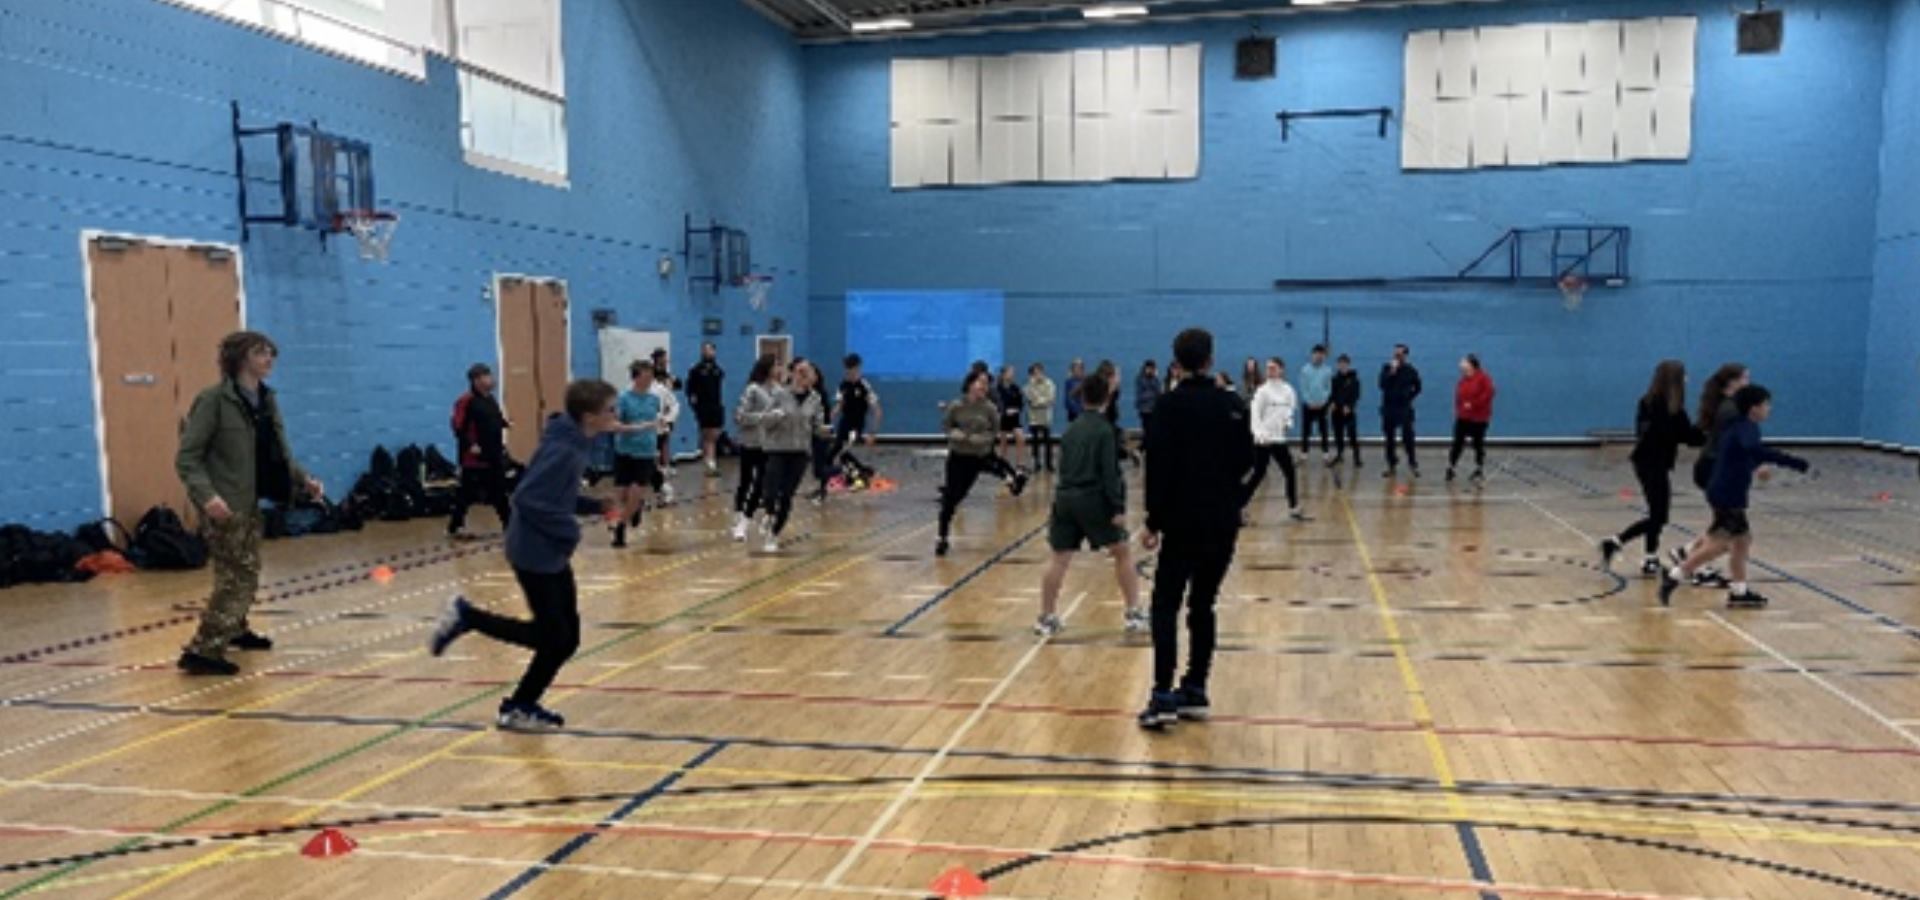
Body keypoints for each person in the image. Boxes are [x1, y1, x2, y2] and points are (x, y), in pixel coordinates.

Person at [430, 378, 618, 731]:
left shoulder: (573, 441)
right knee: (555, 638)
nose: (615, 415)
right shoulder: (565, 450)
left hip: (548, 551)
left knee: (565, 638)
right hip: (534, 552)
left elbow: (554, 496)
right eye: (610, 410)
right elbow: (528, 498)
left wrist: (595, 506)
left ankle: (521, 704)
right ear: (590, 416)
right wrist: (571, 531)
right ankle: (467, 618)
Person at [174, 331, 323, 676]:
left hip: (252, 498)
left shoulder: (266, 400)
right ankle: (203, 649)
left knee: (242, 568)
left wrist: (303, 480)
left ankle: (236, 628)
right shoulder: (213, 401)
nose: (269, 359)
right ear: (241, 359)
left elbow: (276, 452)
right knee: (239, 576)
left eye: (271, 353)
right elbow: (188, 459)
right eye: (261, 353)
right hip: (225, 503)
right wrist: (207, 496)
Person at [1138, 328, 1255, 730]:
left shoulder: (1167, 408)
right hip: (1221, 523)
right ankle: (1196, 685)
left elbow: (1158, 469)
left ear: (1177, 362)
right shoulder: (1232, 405)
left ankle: (1163, 693)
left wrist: (1153, 520)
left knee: (1165, 604)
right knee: (1203, 603)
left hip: (1182, 523)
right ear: (1209, 359)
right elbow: (1248, 460)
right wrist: (1231, 497)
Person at [1660, 385, 1809, 609]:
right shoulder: (1745, 428)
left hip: (1727, 491)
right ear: (1753, 408)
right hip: (1726, 493)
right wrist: (1792, 462)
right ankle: (1675, 575)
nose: (1769, 409)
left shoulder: (1739, 426)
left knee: (1742, 541)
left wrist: (1757, 465)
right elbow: (1755, 449)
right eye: (1766, 404)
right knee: (1721, 544)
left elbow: (1744, 453)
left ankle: (1739, 592)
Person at [1037, 372, 1144, 636]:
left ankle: (1046, 616)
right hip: (1092, 498)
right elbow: (1110, 473)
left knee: (1059, 558)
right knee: (1123, 552)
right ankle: (1133, 613)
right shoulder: (1104, 430)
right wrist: (1118, 507)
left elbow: (1062, 467)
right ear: (1107, 397)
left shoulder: (1071, 429)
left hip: (1064, 497)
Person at [1601, 360, 1704, 577]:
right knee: (1659, 516)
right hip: (1652, 463)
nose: (1687, 379)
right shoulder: (1669, 407)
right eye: (1684, 375)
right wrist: (1709, 431)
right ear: (1675, 379)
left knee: (1656, 512)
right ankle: (1616, 541)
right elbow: (1688, 437)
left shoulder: (1647, 401)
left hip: (1646, 461)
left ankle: (1650, 559)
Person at [1672, 363, 1752, 587]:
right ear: (1733, 382)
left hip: (1713, 471)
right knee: (1730, 536)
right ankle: (1680, 572)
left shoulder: (1727, 406)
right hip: (1716, 473)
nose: (1749, 383)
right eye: (1745, 379)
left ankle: (1686, 554)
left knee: (1731, 531)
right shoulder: (1730, 410)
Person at [937, 369, 1027, 557]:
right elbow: (947, 426)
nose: (983, 387)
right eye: (980, 383)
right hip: (958, 456)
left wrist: (979, 439)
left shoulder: (989, 408)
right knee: (951, 498)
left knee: (983, 473)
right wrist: (960, 436)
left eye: (986, 384)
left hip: (978, 456)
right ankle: (942, 537)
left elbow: (994, 431)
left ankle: (1011, 478)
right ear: (970, 384)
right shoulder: (956, 406)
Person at [755, 358, 826, 552]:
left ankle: (774, 534)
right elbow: (764, 421)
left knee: (786, 495)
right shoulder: (780, 395)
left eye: (807, 372)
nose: (803, 376)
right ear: (792, 373)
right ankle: (768, 513)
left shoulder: (815, 399)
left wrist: (826, 431)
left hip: (800, 452)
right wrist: (775, 416)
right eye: (800, 372)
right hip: (778, 449)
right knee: (770, 491)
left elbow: (818, 426)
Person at [447, 362, 511, 538]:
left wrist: (505, 424)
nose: (491, 379)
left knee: (500, 491)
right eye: (486, 376)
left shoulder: (490, 399)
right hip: (474, 458)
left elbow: (494, 420)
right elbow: (458, 426)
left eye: (489, 375)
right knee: (466, 495)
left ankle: (510, 524)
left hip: (493, 454)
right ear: (476, 380)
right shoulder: (466, 401)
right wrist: (470, 445)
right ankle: (455, 527)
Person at [609, 360, 664, 549]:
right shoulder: (624, 398)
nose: (650, 379)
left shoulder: (654, 399)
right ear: (637, 376)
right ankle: (633, 509)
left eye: (651, 375)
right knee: (621, 494)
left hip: (645, 452)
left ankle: (620, 527)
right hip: (625, 451)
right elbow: (615, 425)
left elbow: (658, 421)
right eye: (646, 375)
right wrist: (638, 427)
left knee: (636, 491)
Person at [1247, 357, 1306, 521]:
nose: (1270, 371)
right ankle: (1239, 505)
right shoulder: (1262, 391)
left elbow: (1289, 411)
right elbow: (1255, 416)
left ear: (1281, 370)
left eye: (1273, 368)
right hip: (1263, 440)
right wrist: (1258, 435)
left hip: (1278, 440)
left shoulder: (1288, 390)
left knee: (1290, 472)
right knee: (1258, 474)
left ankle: (1294, 507)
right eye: (1268, 368)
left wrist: (1288, 423)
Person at [730, 355, 778, 541]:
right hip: (751, 442)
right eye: (776, 365)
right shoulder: (753, 390)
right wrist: (763, 417)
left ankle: (749, 518)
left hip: (769, 445)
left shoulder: (779, 391)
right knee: (746, 480)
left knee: (762, 483)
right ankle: (738, 514)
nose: (779, 369)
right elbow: (740, 416)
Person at [832, 353, 881, 488]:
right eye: (847, 369)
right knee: (835, 452)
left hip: (856, 425)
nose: (850, 373)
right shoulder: (843, 385)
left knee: (844, 451)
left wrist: (872, 432)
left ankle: (863, 474)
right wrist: (831, 417)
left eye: (853, 369)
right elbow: (839, 405)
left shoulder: (864, 386)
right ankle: (860, 472)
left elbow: (876, 409)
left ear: (858, 368)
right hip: (844, 423)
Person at [1446, 354, 1495, 483]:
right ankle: (1451, 467)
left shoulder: (1483, 378)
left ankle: (1479, 469)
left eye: (1463, 361)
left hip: (1479, 418)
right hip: (1463, 417)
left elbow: (1488, 394)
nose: (1461, 364)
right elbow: (1459, 397)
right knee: (1457, 443)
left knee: (1477, 444)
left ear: (1471, 364)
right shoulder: (1463, 380)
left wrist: (1474, 404)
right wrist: (1459, 410)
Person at [1379, 343, 1423, 479]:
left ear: (1405, 355)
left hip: (1404, 408)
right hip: (1389, 408)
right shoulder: (1386, 368)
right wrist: (1391, 372)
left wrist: (1409, 397)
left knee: (1408, 436)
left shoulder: (1411, 370)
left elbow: (1418, 387)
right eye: (1395, 353)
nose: (1397, 356)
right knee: (1389, 438)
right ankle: (1391, 465)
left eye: (1400, 353)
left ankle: (1412, 463)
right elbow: (1381, 385)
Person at [686, 342, 726, 478]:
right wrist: (696, 407)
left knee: (715, 434)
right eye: (706, 350)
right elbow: (690, 391)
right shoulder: (696, 370)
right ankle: (709, 463)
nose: (708, 352)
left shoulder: (718, 370)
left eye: (711, 350)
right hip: (704, 407)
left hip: (717, 406)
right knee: (707, 435)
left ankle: (711, 460)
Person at [649, 348, 681, 502]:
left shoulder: (661, 387)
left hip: (659, 427)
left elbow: (675, 403)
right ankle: (659, 485)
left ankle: (663, 486)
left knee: (659, 452)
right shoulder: (631, 393)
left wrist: (668, 419)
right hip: (641, 431)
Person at [1298, 345, 1334, 463]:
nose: (1318, 356)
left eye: (1321, 354)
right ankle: (1304, 453)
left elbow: (1328, 388)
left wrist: (1323, 402)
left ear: (1324, 356)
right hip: (1308, 406)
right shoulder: (1305, 370)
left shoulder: (1328, 370)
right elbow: (1303, 388)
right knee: (1306, 430)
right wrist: (1309, 402)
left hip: (1322, 406)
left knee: (1323, 430)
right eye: (1316, 353)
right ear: (1312, 355)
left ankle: (1326, 454)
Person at [1331, 353, 1362, 468]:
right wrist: (1332, 403)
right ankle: (1339, 455)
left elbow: (1356, 395)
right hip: (1337, 412)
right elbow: (1332, 394)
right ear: (1338, 365)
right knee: (1338, 435)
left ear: (1348, 365)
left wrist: (1349, 406)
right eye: (1340, 364)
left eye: (1345, 364)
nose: (1342, 366)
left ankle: (1357, 457)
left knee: (1352, 435)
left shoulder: (1354, 380)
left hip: (1349, 412)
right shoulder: (1334, 379)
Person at [1025, 363, 1057, 473]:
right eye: (1035, 372)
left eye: (1039, 372)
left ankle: (1049, 464)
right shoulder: (1028, 385)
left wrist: (1039, 401)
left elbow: (1051, 399)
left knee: (1048, 441)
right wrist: (1041, 400)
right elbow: (1030, 398)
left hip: (1046, 417)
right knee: (1035, 442)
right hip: (1034, 418)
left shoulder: (1050, 383)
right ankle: (1036, 463)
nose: (1038, 374)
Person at [994, 365, 1028, 468]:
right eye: (1010, 372)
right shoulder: (997, 389)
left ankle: (1020, 462)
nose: (1012, 374)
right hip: (1002, 418)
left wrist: (1016, 409)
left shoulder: (1016, 388)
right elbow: (996, 404)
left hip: (1014, 419)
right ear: (1004, 374)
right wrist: (1004, 411)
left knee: (1020, 438)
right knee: (1003, 441)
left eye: (1013, 372)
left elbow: (1021, 403)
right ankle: (1003, 461)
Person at [1134, 360, 1162, 444]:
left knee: (1153, 430)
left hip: (1153, 409)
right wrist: (1152, 394)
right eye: (1149, 368)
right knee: (1147, 429)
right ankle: (1144, 447)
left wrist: (1155, 379)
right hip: (1144, 409)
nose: (1150, 371)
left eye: (1152, 369)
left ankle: (1146, 446)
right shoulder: (1140, 379)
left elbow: (1158, 391)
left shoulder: (1155, 379)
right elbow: (1141, 396)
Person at [1063, 358, 1087, 424]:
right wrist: (1074, 409)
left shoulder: (1087, 381)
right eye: (1075, 368)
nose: (1078, 371)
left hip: (1084, 413)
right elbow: (1067, 400)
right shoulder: (1069, 382)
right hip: (1073, 414)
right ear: (1072, 370)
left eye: (1080, 368)